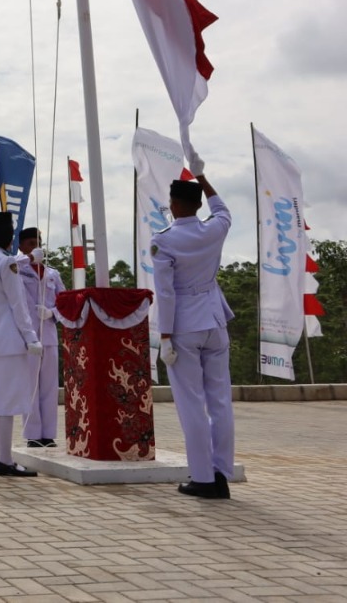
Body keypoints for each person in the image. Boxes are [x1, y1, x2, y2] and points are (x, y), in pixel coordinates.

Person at [152, 169, 235, 499]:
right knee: (220, 402)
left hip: (184, 326)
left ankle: (202, 478)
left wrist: (165, 336)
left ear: (173, 204)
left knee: (191, 404)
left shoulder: (164, 240)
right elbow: (224, 210)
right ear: (199, 204)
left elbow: (166, 292)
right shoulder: (214, 229)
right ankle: (221, 473)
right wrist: (202, 176)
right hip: (215, 322)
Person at [0, 211, 42, 478]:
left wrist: (26, 258)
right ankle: (4, 460)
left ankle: (0, 457)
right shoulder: (5, 264)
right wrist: (31, 337)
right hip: (10, 342)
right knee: (5, 404)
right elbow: (19, 305)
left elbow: (11, 262)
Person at [17, 227, 65, 448]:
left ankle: (48, 434)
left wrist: (52, 313)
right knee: (30, 387)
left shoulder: (52, 274)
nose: (36, 247)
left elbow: (65, 303)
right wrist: (26, 259)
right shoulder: (17, 270)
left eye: (38, 243)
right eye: (30, 243)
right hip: (27, 336)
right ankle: (33, 434)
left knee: (49, 386)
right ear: (21, 247)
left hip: (49, 334)